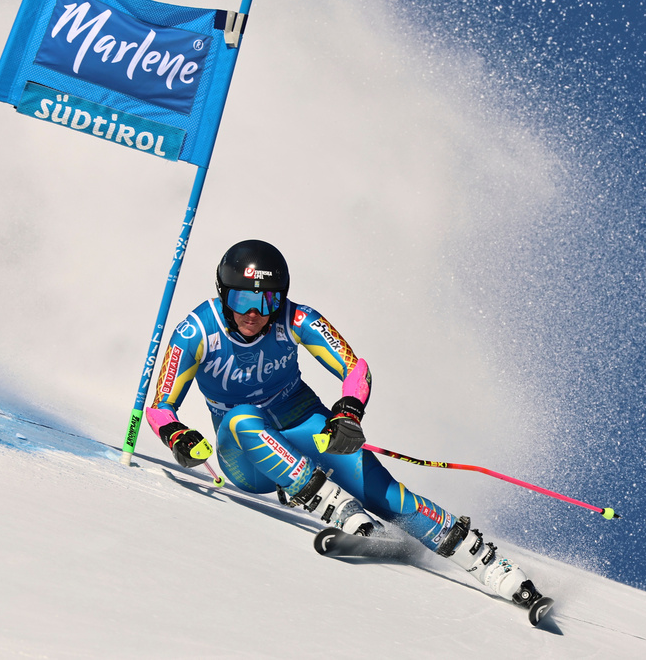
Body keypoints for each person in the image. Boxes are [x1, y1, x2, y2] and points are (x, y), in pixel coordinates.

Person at [147, 239, 543, 608]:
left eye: (266, 300)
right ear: (223, 294)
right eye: (242, 299)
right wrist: (176, 435)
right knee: (240, 417)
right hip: (249, 459)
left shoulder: (296, 318)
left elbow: (357, 369)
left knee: (386, 494)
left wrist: (349, 409)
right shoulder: (196, 332)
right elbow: (159, 408)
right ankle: (333, 506)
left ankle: (494, 568)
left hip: (301, 421)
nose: (254, 312)